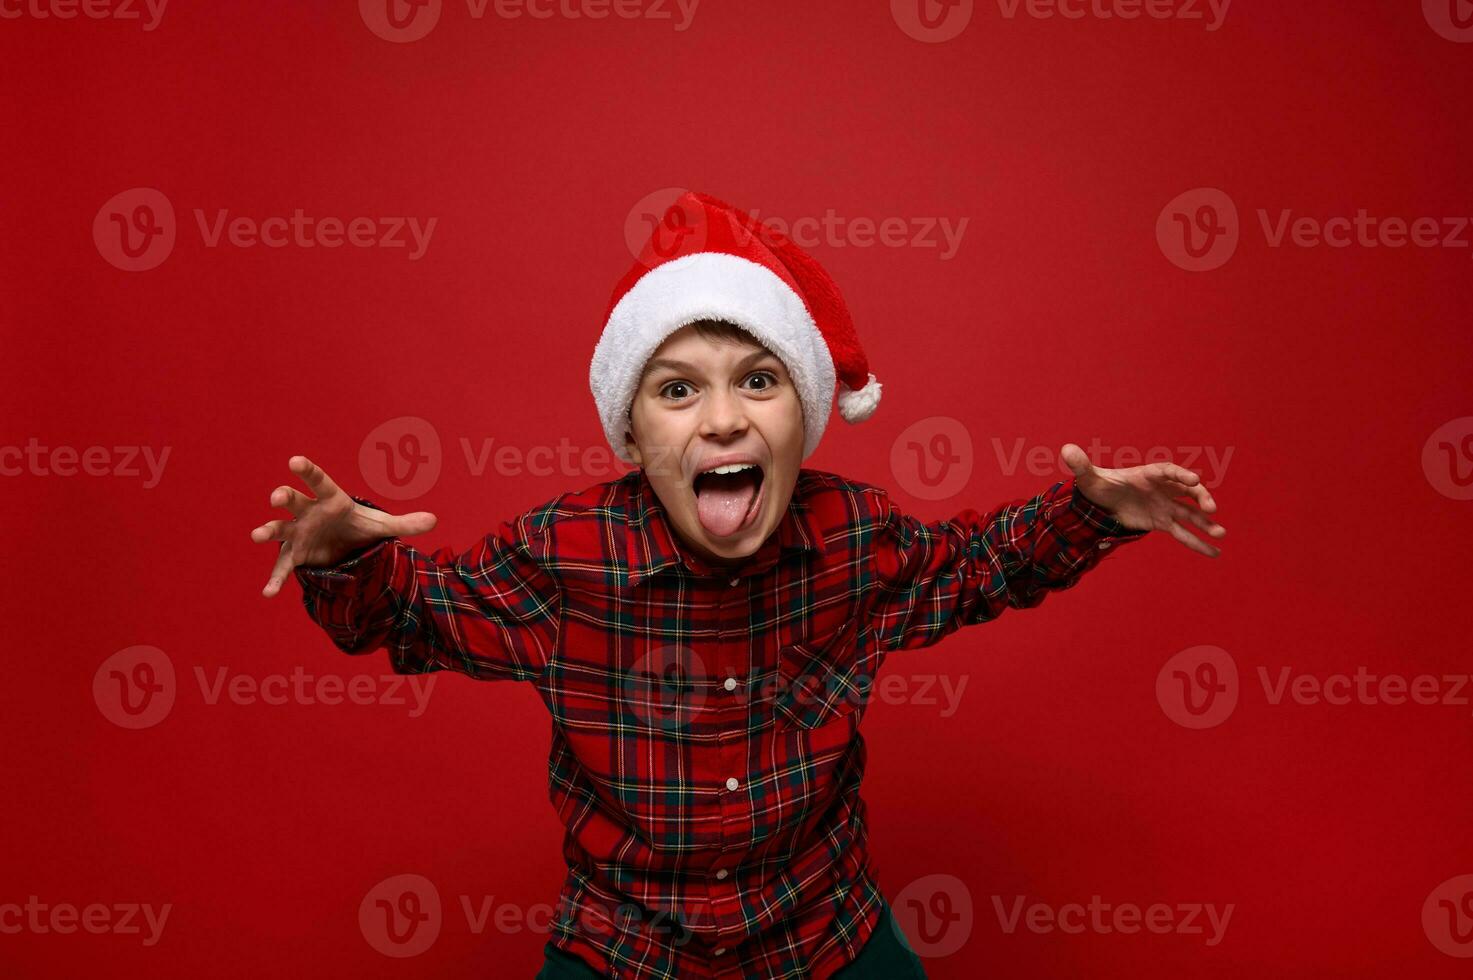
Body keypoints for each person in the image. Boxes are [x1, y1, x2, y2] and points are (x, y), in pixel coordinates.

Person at [251, 192, 1226, 979]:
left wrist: (1094, 512)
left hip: (820, 927)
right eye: (678, 388)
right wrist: (344, 556)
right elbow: (418, 618)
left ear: (805, 416)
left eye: (759, 381)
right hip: (626, 943)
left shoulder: (853, 537)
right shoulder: (566, 554)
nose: (722, 419)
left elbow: (977, 567)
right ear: (632, 436)